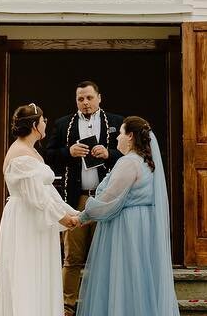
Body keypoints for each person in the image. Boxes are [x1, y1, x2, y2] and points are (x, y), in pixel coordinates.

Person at [74, 116, 178, 316]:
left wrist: (83, 216)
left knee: (123, 278)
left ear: (130, 136)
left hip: (126, 228)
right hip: (143, 226)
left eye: (120, 134)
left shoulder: (128, 162)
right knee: (139, 278)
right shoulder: (147, 163)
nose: (116, 139)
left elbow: (108, 198)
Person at [0, 103, 81, 316]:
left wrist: (73, 213)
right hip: (26, 220)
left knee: (40, 274)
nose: (45, 124)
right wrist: (62, 218)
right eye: (43, 121)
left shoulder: (31, 151)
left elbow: (47, 191)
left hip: (37, 220)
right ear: (35, 125)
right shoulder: (21, 155)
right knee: (27, 274)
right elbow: (36, 197)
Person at [47, 82, 122, 315]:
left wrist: (109, 153)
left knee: (108, 255)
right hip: (76, 199)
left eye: (89, 97)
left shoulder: (117, 122)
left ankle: (106, 305)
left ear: (100, 98)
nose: (85, 103)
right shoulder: (62, 124)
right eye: (81, 99)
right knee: (72, 257)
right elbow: (47, 157)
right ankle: (66, 307)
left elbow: (130, 156)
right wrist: (67, 152)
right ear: (76, 100)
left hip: (105, 200)